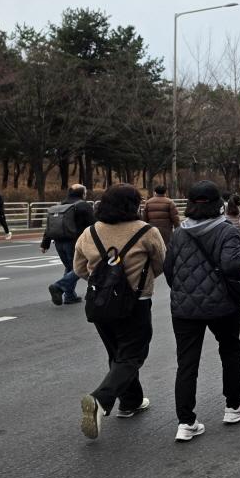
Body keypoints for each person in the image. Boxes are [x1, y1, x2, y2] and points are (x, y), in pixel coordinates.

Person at [72, 183, 167, 439]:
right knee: (133, 354)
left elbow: (80, 268)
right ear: (134, 205)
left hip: (99, 303)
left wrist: (104, 283)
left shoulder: (90, 232)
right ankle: (100, 401)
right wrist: (139, 281)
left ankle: (130, 402)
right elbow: (160, 264)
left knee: (118, 353)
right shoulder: (147, 231)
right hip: (136, 301)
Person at [163, 180, 240, 443]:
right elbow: (231, 265)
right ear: (219, 203)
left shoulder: (179, 231)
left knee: (187, 363)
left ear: (190, 204)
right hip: (222, 305)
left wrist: (184, 291)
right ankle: (233, 407)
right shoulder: (227, 230)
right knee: (229, 351)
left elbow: (169, 269)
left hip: (183, 308)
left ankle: (186, 422)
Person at [41, 184, 96, 306]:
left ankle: (70, 296)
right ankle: (59, 286)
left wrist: (45, 243)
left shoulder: (60, 206)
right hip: (75, 243)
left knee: (70, 267)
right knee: (80, 267)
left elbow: (50, 226)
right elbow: (94, 225)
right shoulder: (83, 206)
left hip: (59, 242)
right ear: (82, 194)